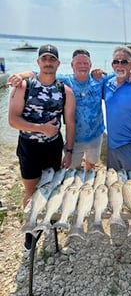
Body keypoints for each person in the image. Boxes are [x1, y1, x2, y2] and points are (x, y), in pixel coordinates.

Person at [9, 49, 131, 170]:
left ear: (90, 65)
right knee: (72, 169)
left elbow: (121, 71)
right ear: (72, 65)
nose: (82, 66)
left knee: (91, 165)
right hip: (75, 138)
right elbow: (36, 73)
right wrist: (20, 76)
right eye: (78, 63)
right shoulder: (65, 81)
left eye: (85, 63)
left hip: (96, 135)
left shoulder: (99, 79)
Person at [8, 44, 75, 250]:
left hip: (53, 148)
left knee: (52, 189)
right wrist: (40, 128)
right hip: (29, 147)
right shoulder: (24, 86)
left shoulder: (65, 91)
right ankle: (30, 230)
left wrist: (69, 151)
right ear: (38, 62)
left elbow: (70, 123)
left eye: (51, 59)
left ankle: (51, 223)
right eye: (44, 59)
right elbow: (12, 120)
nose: (48, 63)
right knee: (31, 191)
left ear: (57, 63)